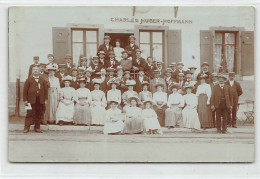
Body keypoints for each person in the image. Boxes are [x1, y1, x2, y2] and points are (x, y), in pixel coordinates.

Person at [23, 66, 48, 133]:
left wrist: (45, 99)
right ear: (32, 71)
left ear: (39, 71)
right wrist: (25, 100)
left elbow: (46, 90)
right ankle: (26, 128)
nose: (35, 71)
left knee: (39, 113)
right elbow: (25, 91)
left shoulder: (42, 79)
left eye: (37, 69)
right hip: (30, 100)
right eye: (34, 69)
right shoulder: (28, 80)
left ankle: (37, 128)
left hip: (40, 100)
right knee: (29, 113)